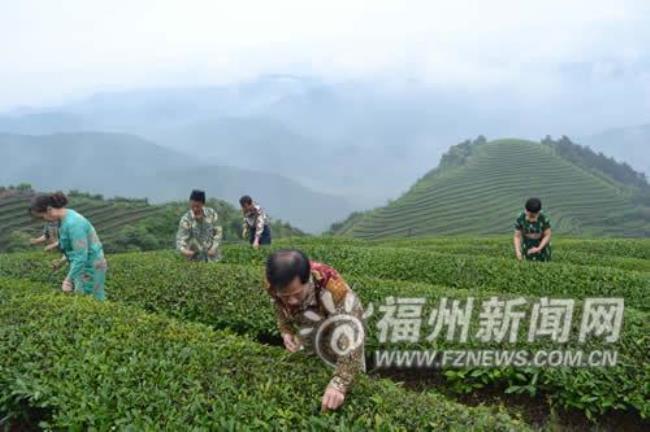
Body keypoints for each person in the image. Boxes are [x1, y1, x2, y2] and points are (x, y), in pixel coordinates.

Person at [265, 249, 365, 412]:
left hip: (335, 316)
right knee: (310, 352)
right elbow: (277, 304)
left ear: (308, 279)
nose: (291, 301)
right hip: (308, 316)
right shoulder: (273, 282)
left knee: (346, 361)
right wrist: (286, 329)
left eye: (296, 294)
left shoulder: (335, 289)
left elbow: (351, 337)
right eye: (285, 295)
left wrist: (339, 383)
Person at [29, 192, 107, 300]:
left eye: (42, 217)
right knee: (82, 297)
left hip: (91, 265)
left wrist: (68, 280)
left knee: (92, 300)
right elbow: (73, 248)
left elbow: (81, 256)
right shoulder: (64, 219)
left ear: (49, 209)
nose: (44, 220)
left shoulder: (74, 223)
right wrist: (61, 262)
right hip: (82, 265)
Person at [176, 190, 223, 262]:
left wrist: (214, 248)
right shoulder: (186, 219)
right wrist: (185, 251)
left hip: (213, 257)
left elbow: (218, 232)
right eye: (192, 206)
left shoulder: (211, 213)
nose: (195, 209)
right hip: (194, 259)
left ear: (203, 204)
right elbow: (180, 240)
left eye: (197, 206)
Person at [514, 197, 552, 261]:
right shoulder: (520, 218)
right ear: (526, 210)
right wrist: (518, 251)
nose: (531, 219)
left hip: (542, 248)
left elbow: (547, 235)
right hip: (527, 246)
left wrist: (539, 248)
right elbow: (517, 236)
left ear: (539, 212)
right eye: (529, 215)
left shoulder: (543, 219)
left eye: (533, 216)